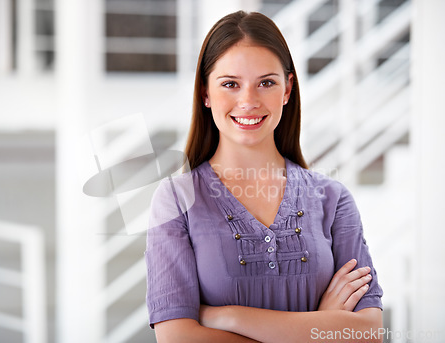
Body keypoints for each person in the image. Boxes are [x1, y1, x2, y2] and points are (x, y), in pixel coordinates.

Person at [145, 10, 383, 343]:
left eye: (266, 83)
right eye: (230, 84)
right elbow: (177, 338)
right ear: (205, 93)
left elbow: (368, 332)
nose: (248, 101)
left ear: (287, 89)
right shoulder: (176, 200)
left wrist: (224, 316)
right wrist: (322, 325)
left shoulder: (333, 198)